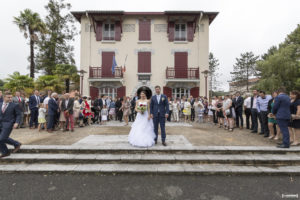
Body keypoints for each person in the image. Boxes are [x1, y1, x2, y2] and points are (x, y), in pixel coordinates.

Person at [0, 91, 22, 158]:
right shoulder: (0, 104)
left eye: (11, 97)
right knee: (2, 138)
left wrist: (17, 122)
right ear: (4, 97)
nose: (10, 99)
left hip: (8, 123)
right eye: (8, 97)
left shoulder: (15, 105)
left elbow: (19, 114)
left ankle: (16, 144)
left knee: (2, 138)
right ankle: (5, 152)